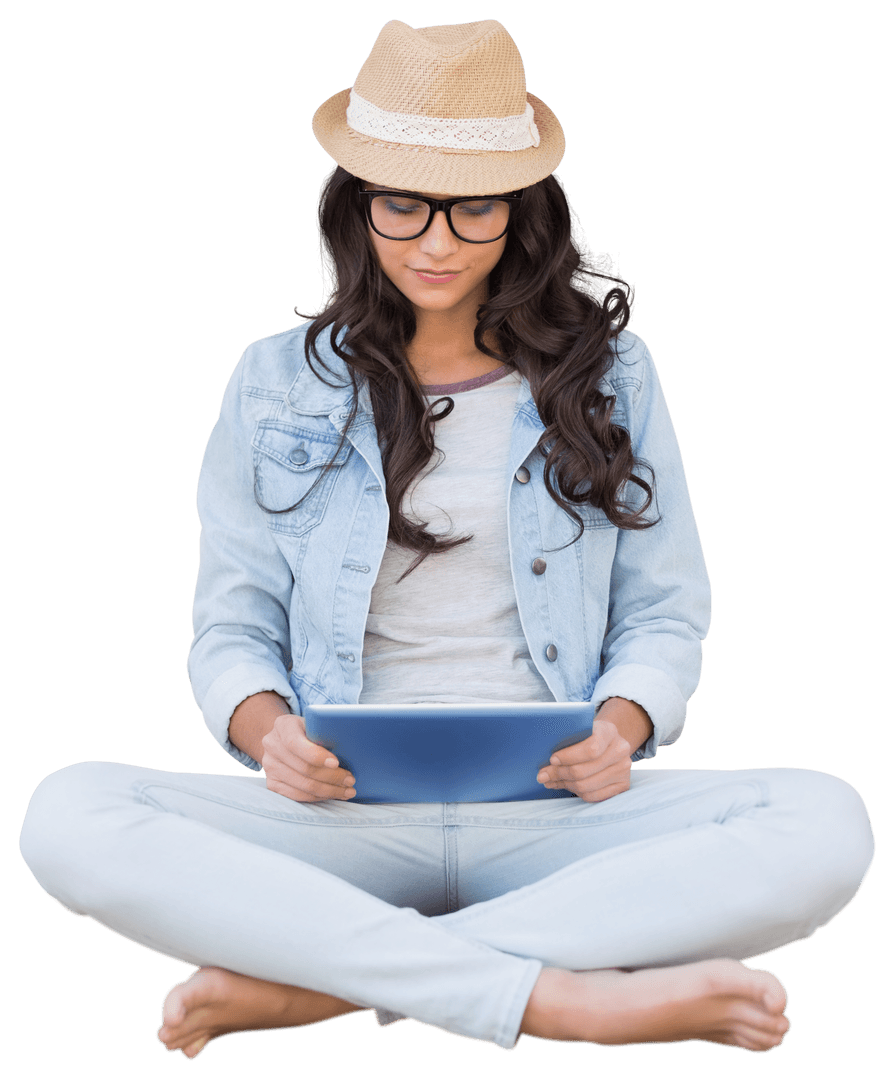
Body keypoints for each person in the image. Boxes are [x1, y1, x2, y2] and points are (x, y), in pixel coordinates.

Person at [19, 18, 874, 1060]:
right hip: (338, 823)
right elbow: (229, 620)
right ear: (355, 205)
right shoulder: (273, 380)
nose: (436, 243)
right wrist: (264, 734)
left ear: (522, 216)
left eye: (473, 209)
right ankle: (566, 1000)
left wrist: (622, 725)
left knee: (827, 824)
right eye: (404, 207)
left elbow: (664, 606)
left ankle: (326, 987)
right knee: (67, 814)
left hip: (559, 820)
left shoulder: (614, 374)